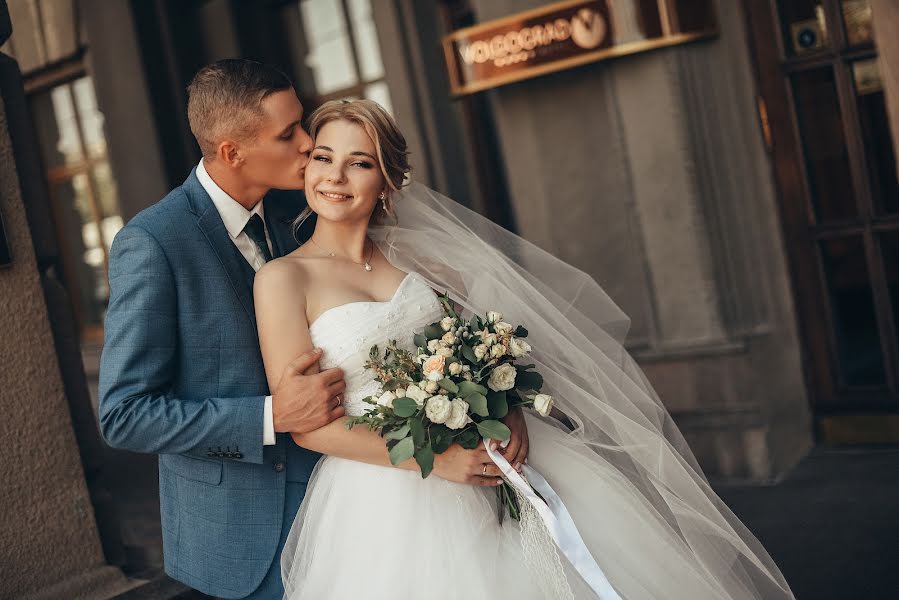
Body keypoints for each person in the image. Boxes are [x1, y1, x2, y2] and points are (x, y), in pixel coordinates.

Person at [253, 99, 796, 599]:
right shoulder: (284, 279)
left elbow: (487, 356)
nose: (336, 176)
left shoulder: (429, 265)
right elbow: (308, 424)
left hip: (496, 460)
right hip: (387, 492)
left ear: (388, 181)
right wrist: (438, 461)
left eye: (360, 162)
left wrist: (507, 407)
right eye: (324, 157)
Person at [97, 59, 345, 599]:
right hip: (241, 540)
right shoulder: (154, 243)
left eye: (302, 124)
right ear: (232, 152)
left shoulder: (303, 212)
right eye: (288, 134)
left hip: (344, 505)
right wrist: (269, 415)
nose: (308, 144)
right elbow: (123, 416)